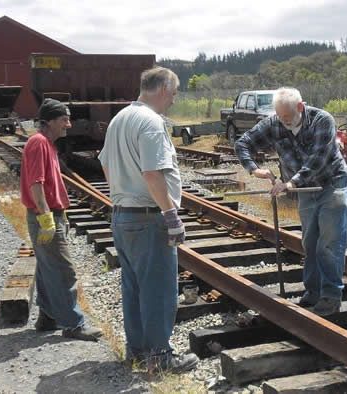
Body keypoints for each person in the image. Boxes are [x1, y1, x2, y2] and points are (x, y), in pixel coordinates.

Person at [98, 67, 198, 373]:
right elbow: (152, 173)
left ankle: (138, 351)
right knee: (159, 288)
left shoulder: (120, 119)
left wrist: (122, 193)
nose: (174, 99)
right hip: (147, 217)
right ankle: (160, 357)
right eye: (175, 92)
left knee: (134, 287)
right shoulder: (152, 122)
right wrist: (170, 215)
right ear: (164, 88)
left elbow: (105, 165)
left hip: (122, 216)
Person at [235, 87, 347, 316]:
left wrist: (291, 183)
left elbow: (319, 158)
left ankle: (331, 296)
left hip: (331, 183)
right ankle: (313, 292)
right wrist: (254, 169)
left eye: (287, 116)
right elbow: (243, 143)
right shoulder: (274, 123)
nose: (284, 121)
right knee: (310, 242)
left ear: (300, 107)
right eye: (280, 116)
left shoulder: (322, 120)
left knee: (329, 243)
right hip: (306, 189)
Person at [20, 98, 103, 341]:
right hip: (44, 216)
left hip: (47, 215)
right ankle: (74, 325)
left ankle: (48, 317)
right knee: (64, 271)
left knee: (48, 269)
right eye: (64, 119)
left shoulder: (46, 144)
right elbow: (36, 183)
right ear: (49, 121)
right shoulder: (38, 143)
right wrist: (46, 217)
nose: (68, 123)